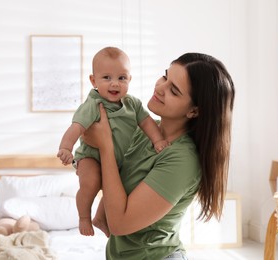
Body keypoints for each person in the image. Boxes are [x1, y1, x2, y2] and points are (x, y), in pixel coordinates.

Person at [82, 52, 235, 259]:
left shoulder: (183, 160)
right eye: (165, 77)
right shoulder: (144, 131)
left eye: (173, 90)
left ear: (194, 111)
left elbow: (119, 224)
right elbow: (116, 173)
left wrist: (105, 145)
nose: (160, 88)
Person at [57, 47, 168, 236]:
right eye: (107, 78)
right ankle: (84, 217)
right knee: (91, 182)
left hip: (117, 159)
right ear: (94, 81)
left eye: (121, 78)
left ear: (129, 79)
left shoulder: (132, 103)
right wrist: (66, 147)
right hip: (91, 157)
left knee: (122, 184)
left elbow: (146, 122)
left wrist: (157, 140)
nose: (115, 84)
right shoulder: (94, 105)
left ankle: (101, 218)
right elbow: (76, 127)